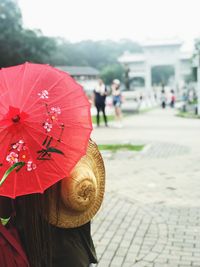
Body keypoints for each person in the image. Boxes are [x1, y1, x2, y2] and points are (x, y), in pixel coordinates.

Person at [0, 140, 105, 267]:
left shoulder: (16, 156)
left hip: (36, 249)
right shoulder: (68, 141)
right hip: (76, 252)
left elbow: (4, 211)